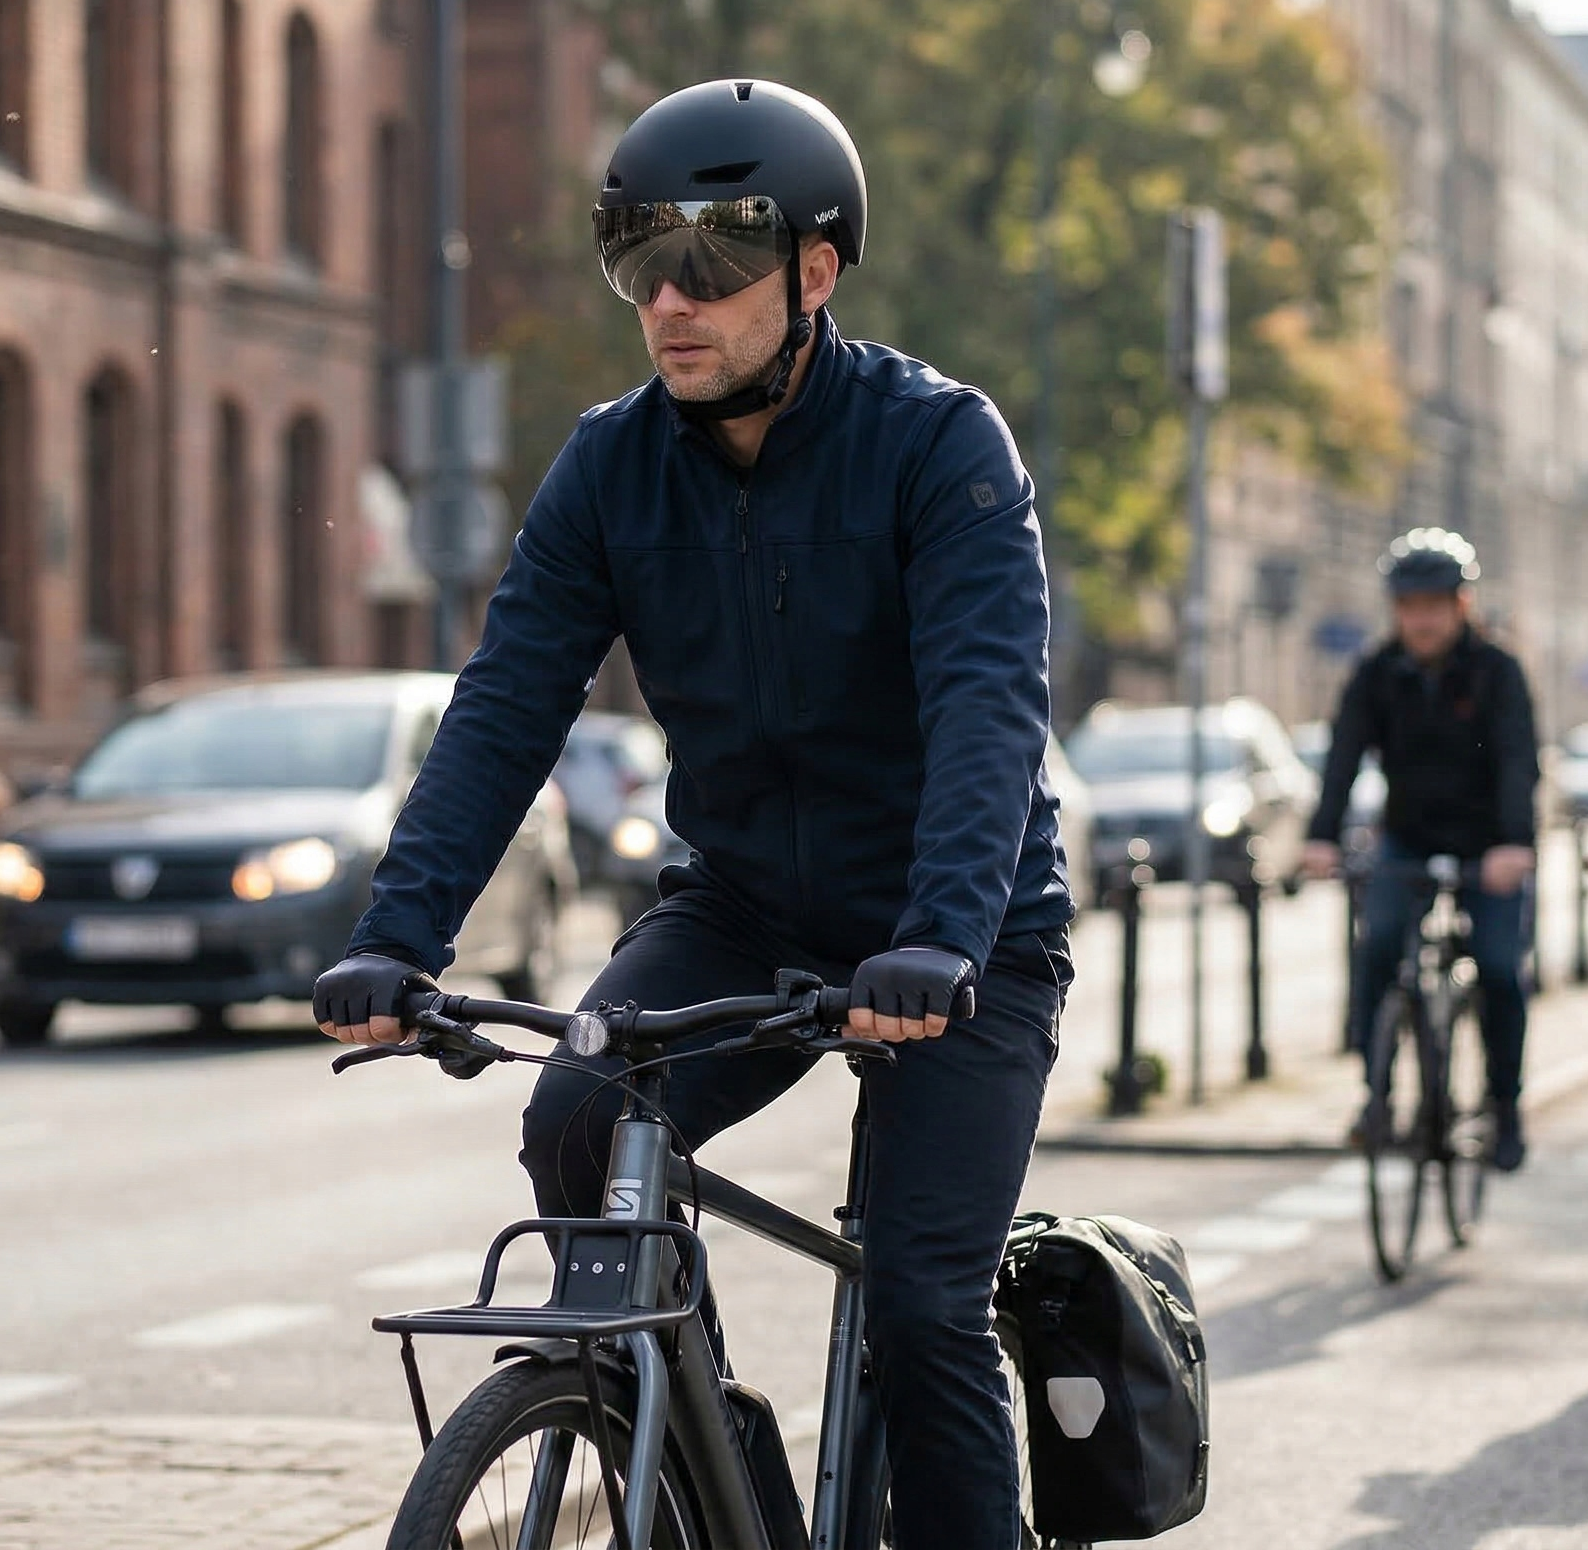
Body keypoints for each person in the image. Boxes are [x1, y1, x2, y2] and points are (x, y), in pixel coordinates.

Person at [314, 79, 1071, 1547]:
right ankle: (717, 1470)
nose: (673, 299)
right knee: (576, 1122)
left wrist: (942, 938)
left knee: (921, 1310)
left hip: (959, 933)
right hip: (746, 907)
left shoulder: (938, 448)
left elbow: (991, 710)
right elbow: (506, 704)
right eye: (641, 265)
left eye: (716, 267)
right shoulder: (609, 467)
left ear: (814, 272)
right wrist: (397, 938)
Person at [1302, 529, 1541, 1172]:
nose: (1422, 618)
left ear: (1462, 605)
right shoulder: (1377, 674)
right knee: (1377, 942)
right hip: (1407, 838)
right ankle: (1375, 1093)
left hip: (1488, 846)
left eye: (1435, 604)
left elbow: (1520, 762)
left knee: (1497, 967)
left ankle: (1506, 1107)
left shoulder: (1498, 671)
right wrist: (1321, 835)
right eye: (1409, 605)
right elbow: (1344, 755)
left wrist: (1515, 844)